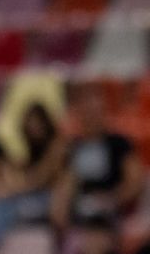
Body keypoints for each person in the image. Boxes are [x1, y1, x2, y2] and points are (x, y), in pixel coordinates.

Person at [53, 85, 144, 227]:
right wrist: (59, 212)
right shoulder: (73, 147)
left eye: (95, 114)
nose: (91, 120)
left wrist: (112, 199)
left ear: (103, 114)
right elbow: (66, 183)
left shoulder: (119, 143)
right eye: (87, 114)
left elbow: (135, 180)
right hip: (81, 209)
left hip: (112, 209)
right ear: (80, 116)